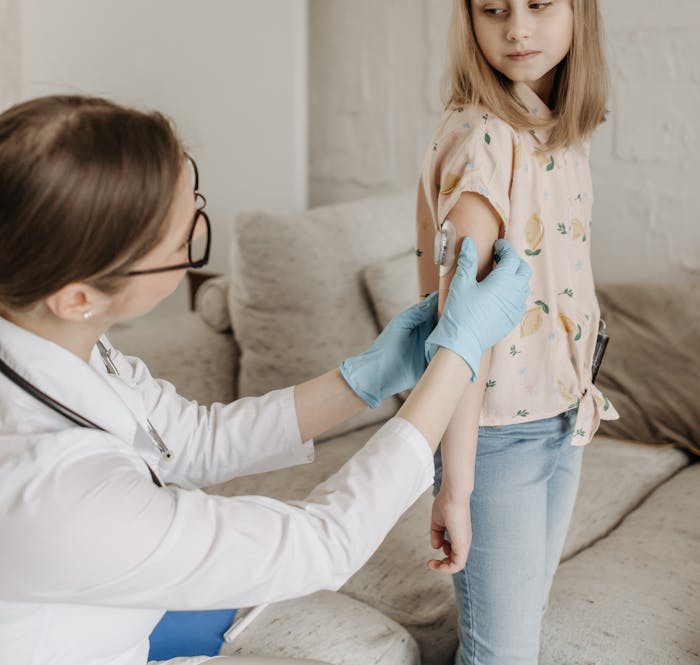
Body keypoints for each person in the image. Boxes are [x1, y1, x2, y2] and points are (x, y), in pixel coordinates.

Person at [0, 94, 531, 665]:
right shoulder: (53, 491)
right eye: (183, 241)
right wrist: (457, 355)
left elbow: (189, 439)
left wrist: (364, 377)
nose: (196, 240)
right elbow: (323, 541)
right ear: (77, 296)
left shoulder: (56, 333)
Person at [416, 0, 619, 665]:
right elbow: (460, 328)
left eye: (539, 6)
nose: (517, 30)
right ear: (469, 16)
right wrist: (455, 485)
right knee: (502, 652)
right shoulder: (482, 137)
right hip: (497, 431)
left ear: (576, 10)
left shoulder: (559, 131)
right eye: (493, 10)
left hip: (565, 413)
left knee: (519, 629)